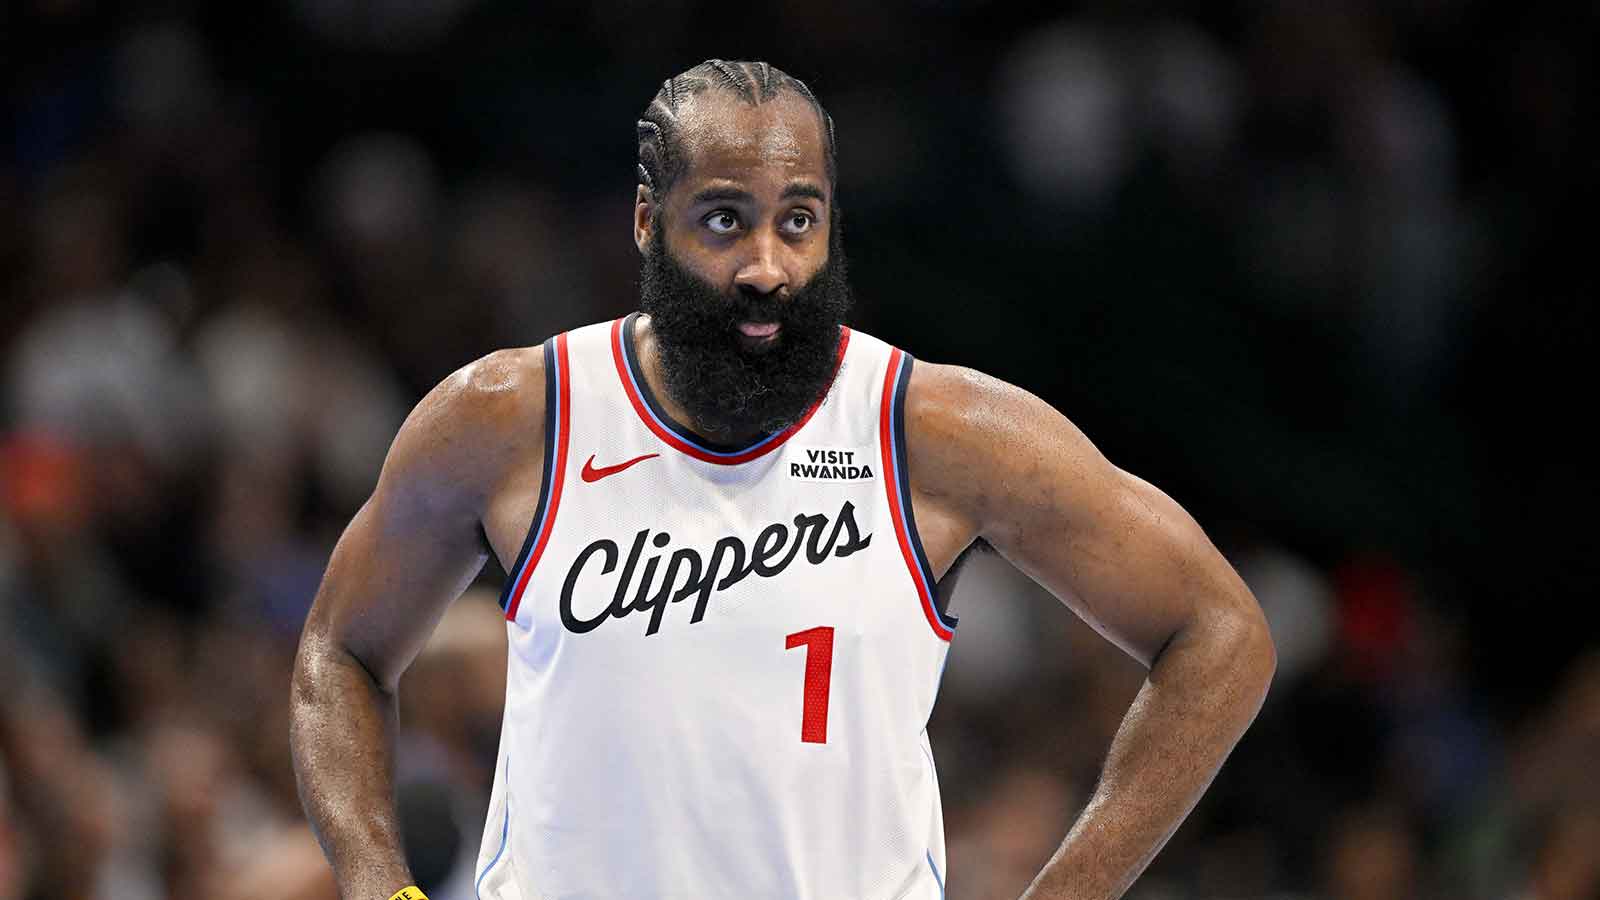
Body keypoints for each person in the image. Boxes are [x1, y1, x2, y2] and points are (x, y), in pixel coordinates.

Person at [290, 59, 1276, 900]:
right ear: (646, 222)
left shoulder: (933, 430)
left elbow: (1219, 635)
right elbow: (339, 652)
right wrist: (385, 889)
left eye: (797, 220)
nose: (767, 264)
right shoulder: (510, 418)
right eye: (724, 220)